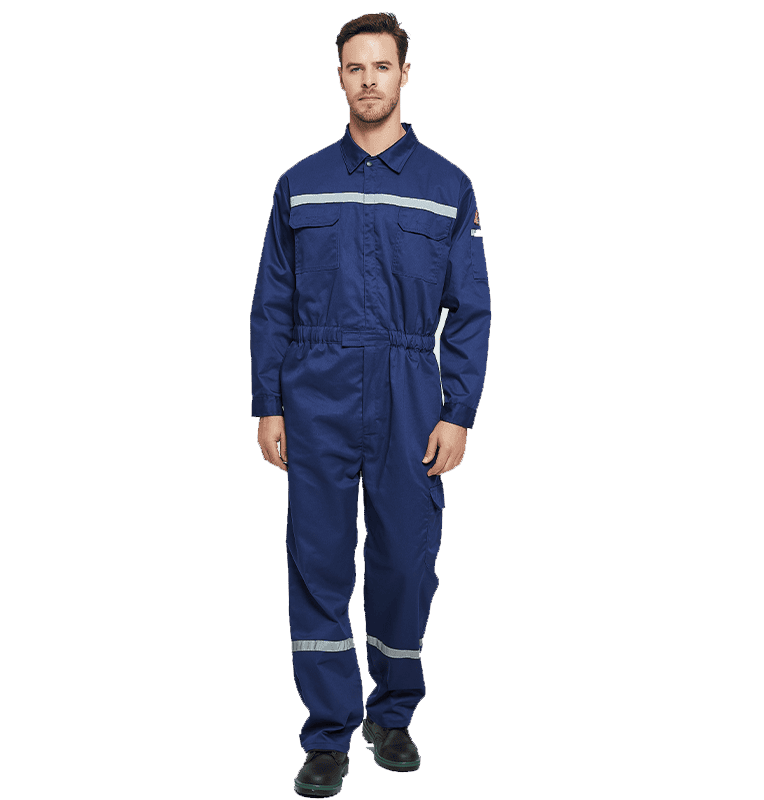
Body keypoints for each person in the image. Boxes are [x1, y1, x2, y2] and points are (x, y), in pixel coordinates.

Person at [249, 12, 491, 798]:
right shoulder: (301, 181)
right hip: (313, 390)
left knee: (405, 560)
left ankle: (394, 715)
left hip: (409, 389)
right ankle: (327, 735)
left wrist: (458, 412)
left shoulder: (447, 186)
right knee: (317, 559)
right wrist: (268, 403)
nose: (368, 81)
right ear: (340, 78)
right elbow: (271, 302)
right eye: (355, 68)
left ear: (404, 75)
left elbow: (473, 311)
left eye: (381, 66)